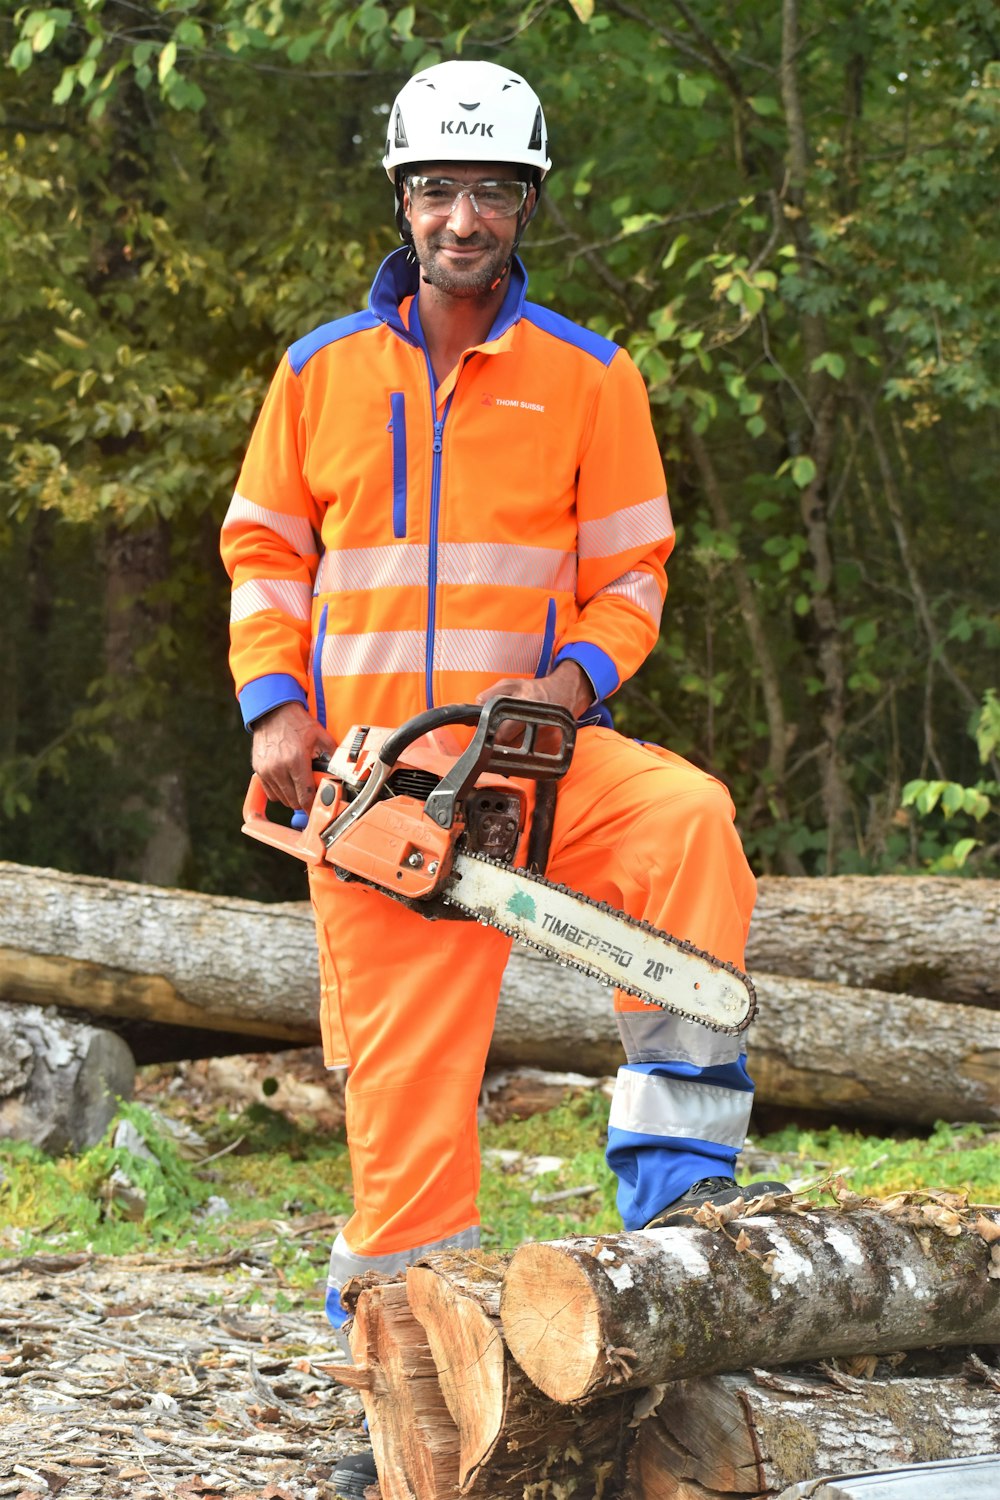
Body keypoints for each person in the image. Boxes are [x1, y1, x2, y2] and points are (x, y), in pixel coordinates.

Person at [221, 57, 784, 1491]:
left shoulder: (591, 377)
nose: (461, 217)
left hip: (533, 758)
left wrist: (576, 679)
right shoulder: (317, 373)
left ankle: (680, 1223)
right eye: (437, 190)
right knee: (404, 1128)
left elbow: (634, 574)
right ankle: (407, 1413)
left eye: (489, 191)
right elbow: (264, 551)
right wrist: (274, 706)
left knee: (688, 824)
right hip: (371, 791)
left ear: (525, 201)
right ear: (401, 199)